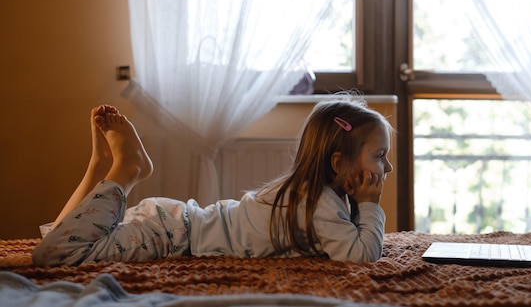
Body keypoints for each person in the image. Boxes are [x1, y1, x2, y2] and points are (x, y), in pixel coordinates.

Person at [32, 97, 393, 267]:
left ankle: (99, 170)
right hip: (169, 236)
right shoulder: (322, 205)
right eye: (380, 155)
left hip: (172, 221)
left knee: (60, 238)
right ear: (337, 162)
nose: (387, 167)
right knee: (55, 255)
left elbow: (351, 243)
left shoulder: (310, 194)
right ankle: (125, 171)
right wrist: (369, 204)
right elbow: (361, 255)